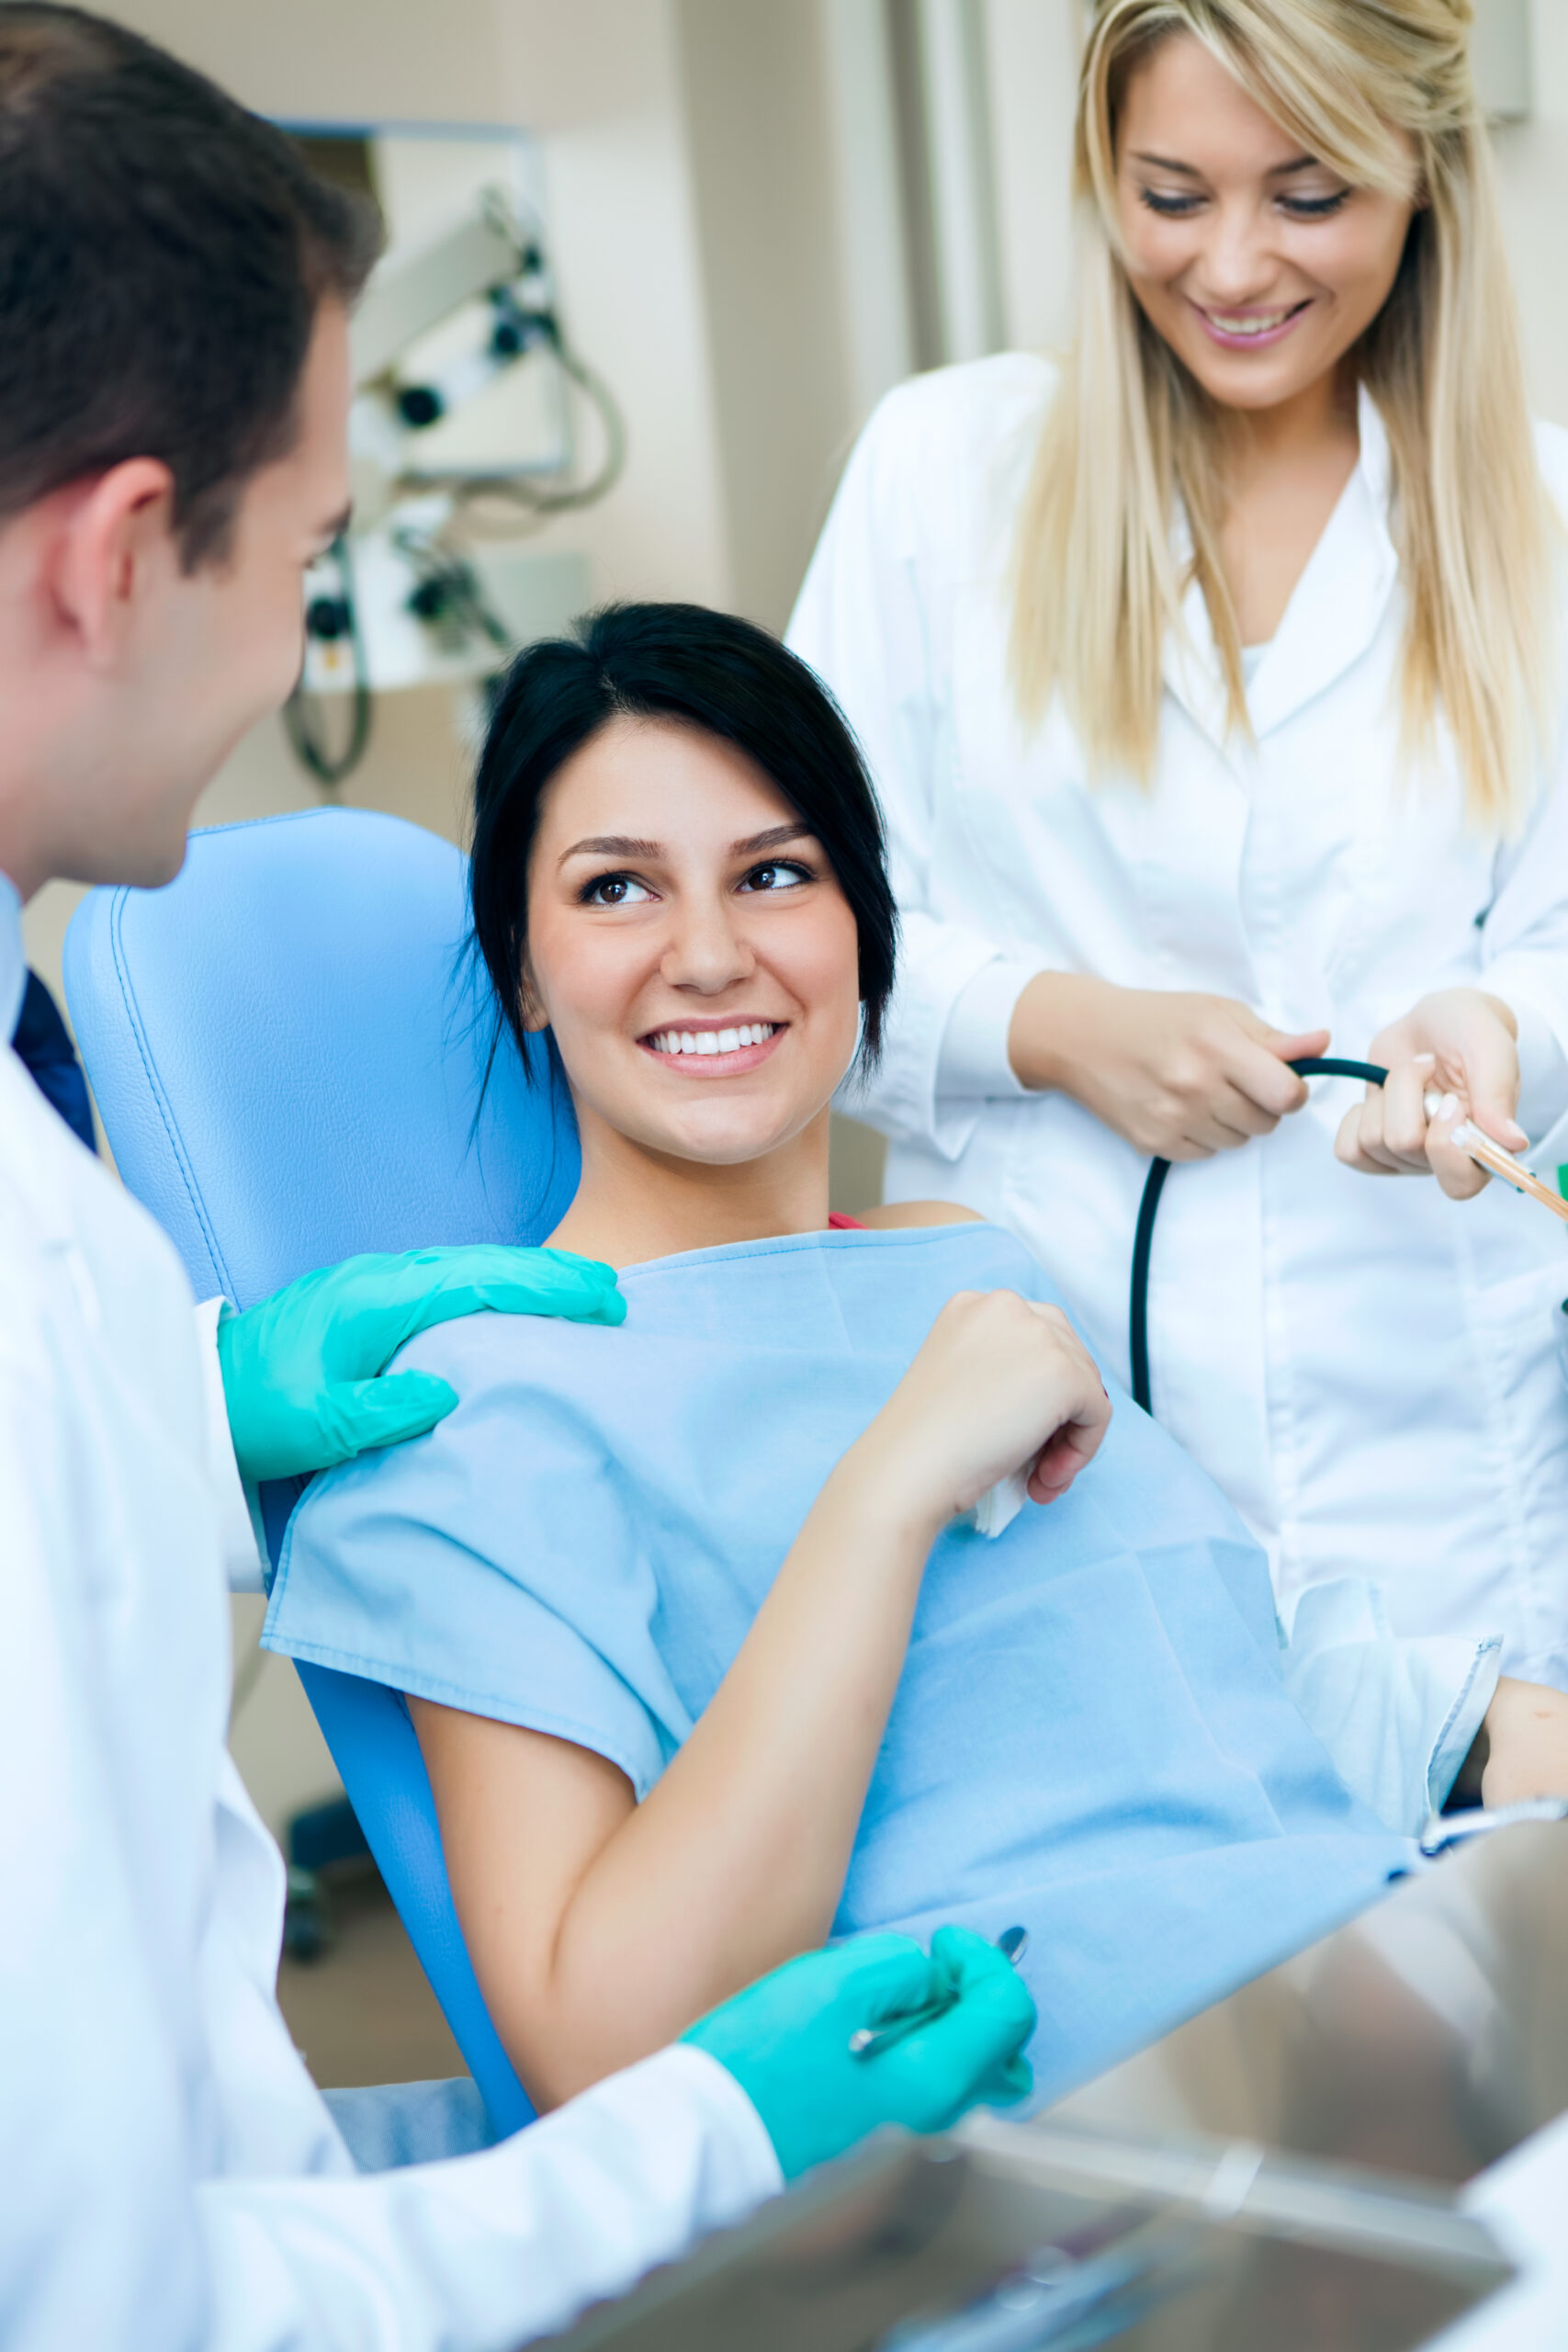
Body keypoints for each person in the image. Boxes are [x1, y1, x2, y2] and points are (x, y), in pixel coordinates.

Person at [0, 16, 1034, 2350]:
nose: (290, 645)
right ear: (125, 552)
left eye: (777, 872)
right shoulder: (494, 1439)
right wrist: (693, 2141)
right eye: (311, 546)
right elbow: (98, 2290)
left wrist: (188, 1407)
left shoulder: (985, 1285)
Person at [262, 602, 1568, 2127]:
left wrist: (1494, 1734)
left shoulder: (967, 1263)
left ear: (864, 936)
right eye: (616, 888)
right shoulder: (473, 1406)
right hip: (1091, 2153)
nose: (707, 954)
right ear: (525, 969)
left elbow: (1223, 1677)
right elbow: (605, 2055)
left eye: (775, 875)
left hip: (1381, 1994)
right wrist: (887, 1495)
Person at [785, 0, 1568, 1690]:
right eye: (1170, 193)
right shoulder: (944, 475)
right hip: (1048, 1461)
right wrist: (1056, 1028)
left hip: (1446, 1490)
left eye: (1308, 196)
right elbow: (780, 943)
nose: (1231, 266)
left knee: (1471, 1939)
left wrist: (1498, 1031)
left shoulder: (1548, 519)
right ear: (1098, 177)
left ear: (1424, 179)